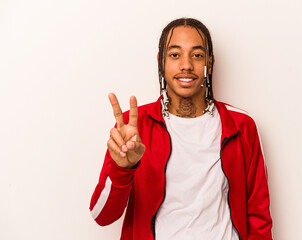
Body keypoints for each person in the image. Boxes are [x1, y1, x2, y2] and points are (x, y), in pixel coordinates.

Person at [89, 18, 272, 240]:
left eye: (197, 55)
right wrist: (122, 170)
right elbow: (102, 216)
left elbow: (258, 218)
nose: (186, 64)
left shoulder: (241, 126)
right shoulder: (134, 128)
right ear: (161, 62)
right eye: (175, 55)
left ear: (210, 63)